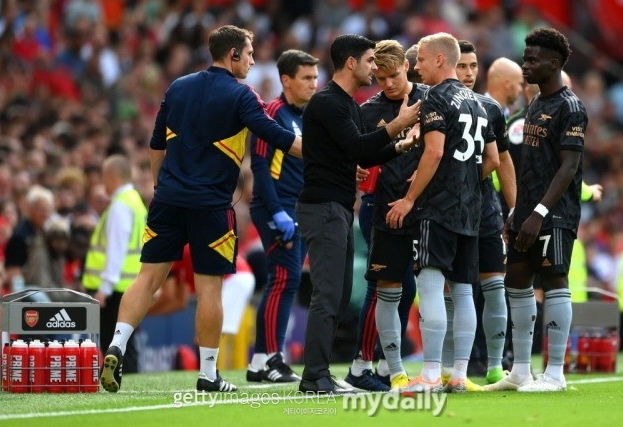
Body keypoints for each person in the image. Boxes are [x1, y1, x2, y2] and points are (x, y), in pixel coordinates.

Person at [99, 25, 302, 394]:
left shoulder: (178, 87)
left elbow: (156, 144)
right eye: (250, 54)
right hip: (210, 207)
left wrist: (162, 185)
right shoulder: (243, 95)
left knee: (147, 279)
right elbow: (278, 137)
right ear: (233, 55)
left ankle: (116, 344)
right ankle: (209, 374)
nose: (254, 61)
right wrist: (329, 154)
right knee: (210, 290)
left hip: (168, 200)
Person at [296, 33, 420, 394]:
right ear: (351, 62)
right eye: (369, 61)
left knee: (340, 291)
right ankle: (314, 376)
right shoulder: (328, 102)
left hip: (337, 207)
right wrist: (399, 123)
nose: (373, 67)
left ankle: (320, 373)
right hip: (322, 207)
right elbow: (356, 145)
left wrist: (401, 144)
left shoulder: (346, 103)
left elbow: (363, 157)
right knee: (328, 293)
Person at [386, 32, 500, 393]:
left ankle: (431, 375)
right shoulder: (480, 103)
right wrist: (462, 182)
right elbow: (492, 160)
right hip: (471, 210)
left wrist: (409, 199)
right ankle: (460, 375)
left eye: (419, 59)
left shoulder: (436, 97)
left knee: (432, 285)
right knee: (464, 290)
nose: (415, 66)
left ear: (438, 59)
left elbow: (433, 153)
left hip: (437, 209)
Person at [485, 27, 587, 392]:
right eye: (524, 58)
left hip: (554, 213)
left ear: (554, 63)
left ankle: (556, 373)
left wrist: (540, 211)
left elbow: (568, 168)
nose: (524, 65)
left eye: (532, 60)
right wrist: (518, 211)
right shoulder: (536, 104)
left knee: (554, 280)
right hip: (527, 211)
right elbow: (530, 163)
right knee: (516, 280)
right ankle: (520, 372)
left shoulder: (570, 107)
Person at [344, 39, 425, 393]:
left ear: (406, 67)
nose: (388, 84)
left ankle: (384, 363)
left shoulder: (430, 99)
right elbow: (357, 156)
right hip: (380, 206)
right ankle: (361, 365)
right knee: (382, 288)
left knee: (409, 290)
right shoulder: (367, 109)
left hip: (422, 207)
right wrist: (357, 171)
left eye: (393, 75)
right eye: (380, 78)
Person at [441, 43, 520, 388]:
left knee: (493, 286)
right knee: (451, 290)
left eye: (473, 66)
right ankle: (445, 367)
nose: (469, 73)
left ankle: (493, 366)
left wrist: (514, 209)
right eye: (463, 67)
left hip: (486, 211)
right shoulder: (438, 103)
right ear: (451, 68)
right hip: (450, 212)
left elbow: (502, 161)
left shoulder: (490, 108)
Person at [246, 49, 319, 383]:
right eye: (306, 77)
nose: (313, 84)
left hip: (299, 208)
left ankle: (259, 361)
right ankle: (273, 359)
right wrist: (276, 210)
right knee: (283, 280)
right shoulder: (273, 113)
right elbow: (260, 164)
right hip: (277, 207)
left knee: (286, 282)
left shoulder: (305, 117)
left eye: (315, 77)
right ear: (285, 80)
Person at [83, 155, 147, 374]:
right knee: (126, 344)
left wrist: (104, 288)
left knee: (115, 344)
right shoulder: (136, 202)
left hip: (115, 291)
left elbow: (116, 250)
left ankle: (124, 383)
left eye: (103, 177)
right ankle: (131, 384)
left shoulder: (120, 205)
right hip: (131, 286)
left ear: (111, 176)